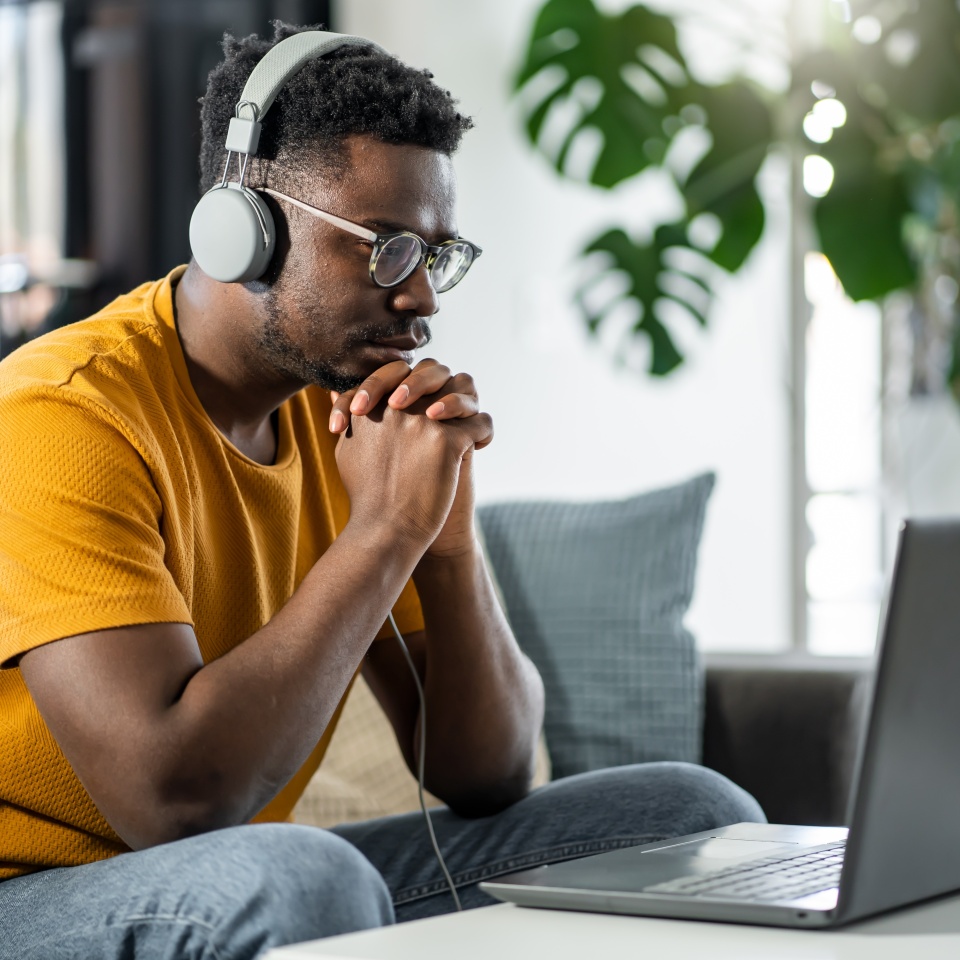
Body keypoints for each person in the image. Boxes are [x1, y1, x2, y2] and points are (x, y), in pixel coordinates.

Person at [0, 22, 763, 959]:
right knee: (306, 877)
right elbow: (172, 799)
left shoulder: (346, 416)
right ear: (245, 228)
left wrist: (441, 537)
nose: (426, 301)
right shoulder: (63, 416)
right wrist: (386, 531)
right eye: (388, 247)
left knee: (694, 817)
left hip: (234, 872)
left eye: (436, 255)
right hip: (33, 893)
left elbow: (483, 775)